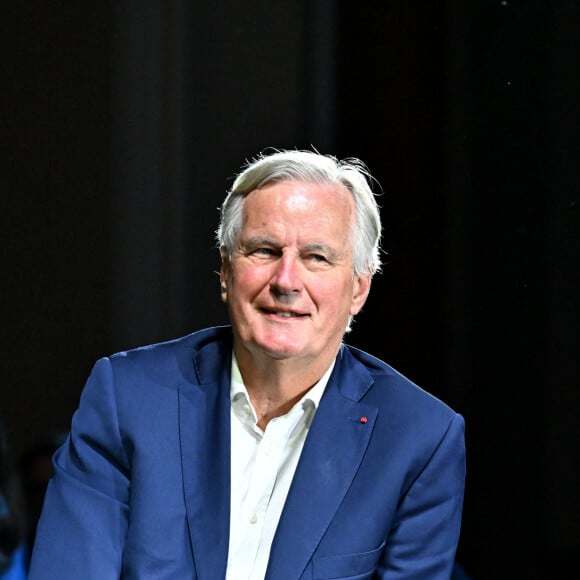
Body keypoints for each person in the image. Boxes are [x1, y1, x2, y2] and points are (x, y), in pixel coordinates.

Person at [28, 148, 466, 579]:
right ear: (224, 270)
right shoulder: (128, 399)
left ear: (358, 289)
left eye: (316, 257)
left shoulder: (420, 439)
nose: (286, 281)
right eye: (264, 250)